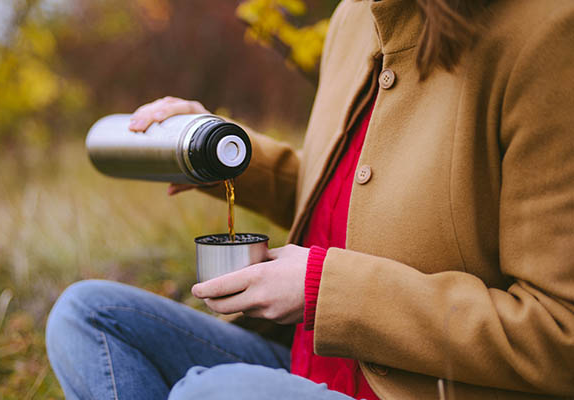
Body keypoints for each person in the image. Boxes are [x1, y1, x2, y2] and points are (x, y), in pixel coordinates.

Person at [45, 0, 574, 399]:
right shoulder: (355, 18)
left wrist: (327, 290)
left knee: (214, 393)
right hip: (309, 363)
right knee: (87, 316)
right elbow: (358, 192)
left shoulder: (546, 34)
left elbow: (560, 334)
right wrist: (221, 153)